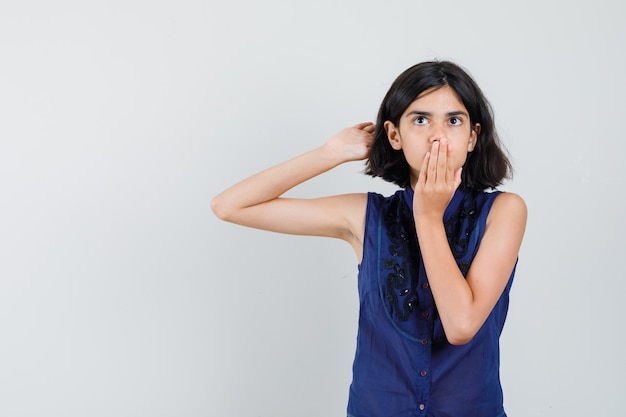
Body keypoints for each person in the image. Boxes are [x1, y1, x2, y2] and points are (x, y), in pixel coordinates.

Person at [211, 60, 527, 417]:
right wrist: (328, 154)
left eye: (454, 121)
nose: (437, 135)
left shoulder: (504, 211)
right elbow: (229, 206)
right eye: (420, 120)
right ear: (394, 135)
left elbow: (461, 325)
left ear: (472, 137)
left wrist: (427, 216)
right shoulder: (366, 217)